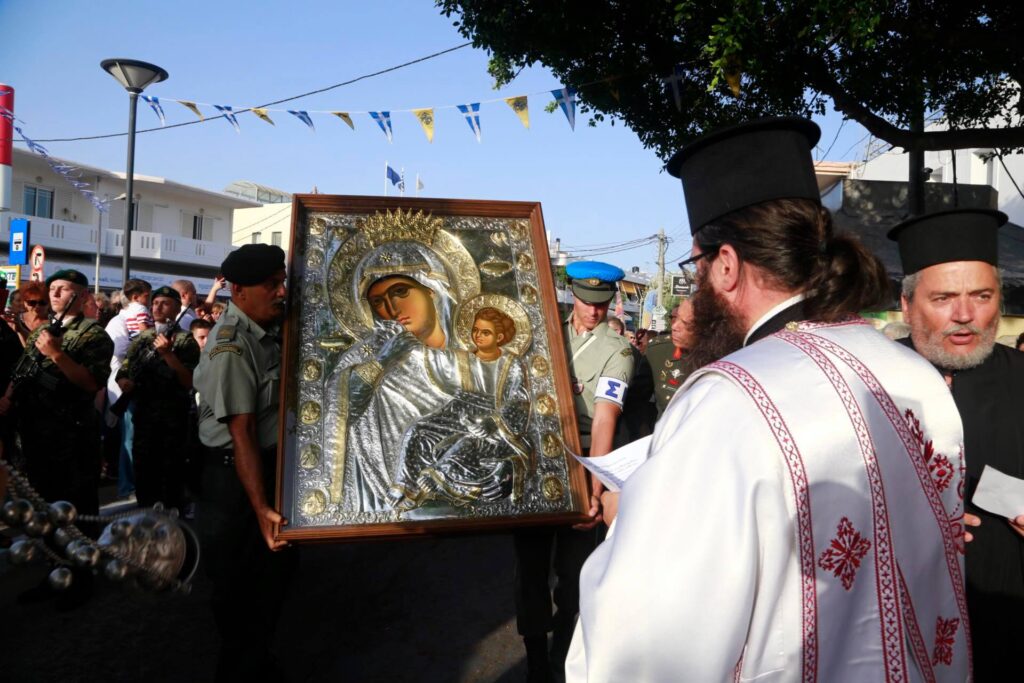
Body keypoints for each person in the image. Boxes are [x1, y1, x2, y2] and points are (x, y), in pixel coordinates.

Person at [566, 119, 969, 682]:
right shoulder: (914, 372)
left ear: (726, 265)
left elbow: (651, 639)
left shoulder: (729, 397)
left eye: (698, 266)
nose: (699, 283)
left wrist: (623, 516)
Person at [889, 208, 1024, 682]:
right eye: (944, 298)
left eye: (981, 296)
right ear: (906, 305)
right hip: (896, 634)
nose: (964, 315)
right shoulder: (867, 384)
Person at [516, 260, 634, 682]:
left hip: (583, 457)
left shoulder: (618, 351)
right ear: (572, 296)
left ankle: (561, 655)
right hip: (535, 459)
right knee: (529, 569)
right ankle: (534, 660)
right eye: (585, 301)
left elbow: (604, 419)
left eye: (600, 303)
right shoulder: (546, 334)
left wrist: (592, 487)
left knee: (574, 573)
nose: (592, 311)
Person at [193, 244, 298, 680]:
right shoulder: (233, 347)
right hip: (234, 479)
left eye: (282, 281)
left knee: (271, 578)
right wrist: (261, 510)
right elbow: (243, 433)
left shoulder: (264, 327)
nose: (280, 292)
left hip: (259, 466)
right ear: (238, 291)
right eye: (271, 285)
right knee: (240, 583)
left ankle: (257, 656)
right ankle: (241, 667)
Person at [0, 269, 113, 609]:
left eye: (63, 289)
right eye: (52, 289)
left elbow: (91, 383)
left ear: (81, 296)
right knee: (45, 511)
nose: (54, 294)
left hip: (72, 439)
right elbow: (22, 373)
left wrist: (57, 355)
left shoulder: (93, 335)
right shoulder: (44, 331)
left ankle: (80, 580)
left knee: (75, 512)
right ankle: (53, 576)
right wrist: (7, 398)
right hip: (37, 436)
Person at [389, 303, 532, 509]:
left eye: (486, 333)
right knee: (417, 431)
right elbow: (434, 360)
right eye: (475, 330)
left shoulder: (512, 363)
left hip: (496, 421)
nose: (478, 336)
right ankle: (407, 487)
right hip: (459, 412)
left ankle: (439, 478)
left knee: (467, 443)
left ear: (499, 338)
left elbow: (520, 399)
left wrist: (492, 422)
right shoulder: (465, 358)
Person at [116, 286, 200, 510]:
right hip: (144, 414)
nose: (158, 307)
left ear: (175, 308)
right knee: (144, 469)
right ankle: (146, 511)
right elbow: (125, 368)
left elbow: (189, 380)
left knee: (171, 471)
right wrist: (124, 382)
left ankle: (173, 518)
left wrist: (167, 354)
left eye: (165, 303)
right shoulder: (143, 338)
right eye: (155, 303)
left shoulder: (184, 341)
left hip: (172, 416)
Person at [106, 278, 153, 500]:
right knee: (129, 437)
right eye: (147, 295)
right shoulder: (127, 317)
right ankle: (128, 485)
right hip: (126, 383)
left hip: (137, 383)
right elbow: (125, 349)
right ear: (137, 296)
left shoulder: (130, 315)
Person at [643, 298, 695, 418]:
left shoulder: (725, 358)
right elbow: (637, 403)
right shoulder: (658, 351)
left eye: (685, 322)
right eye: (674, 319)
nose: (674, 326)